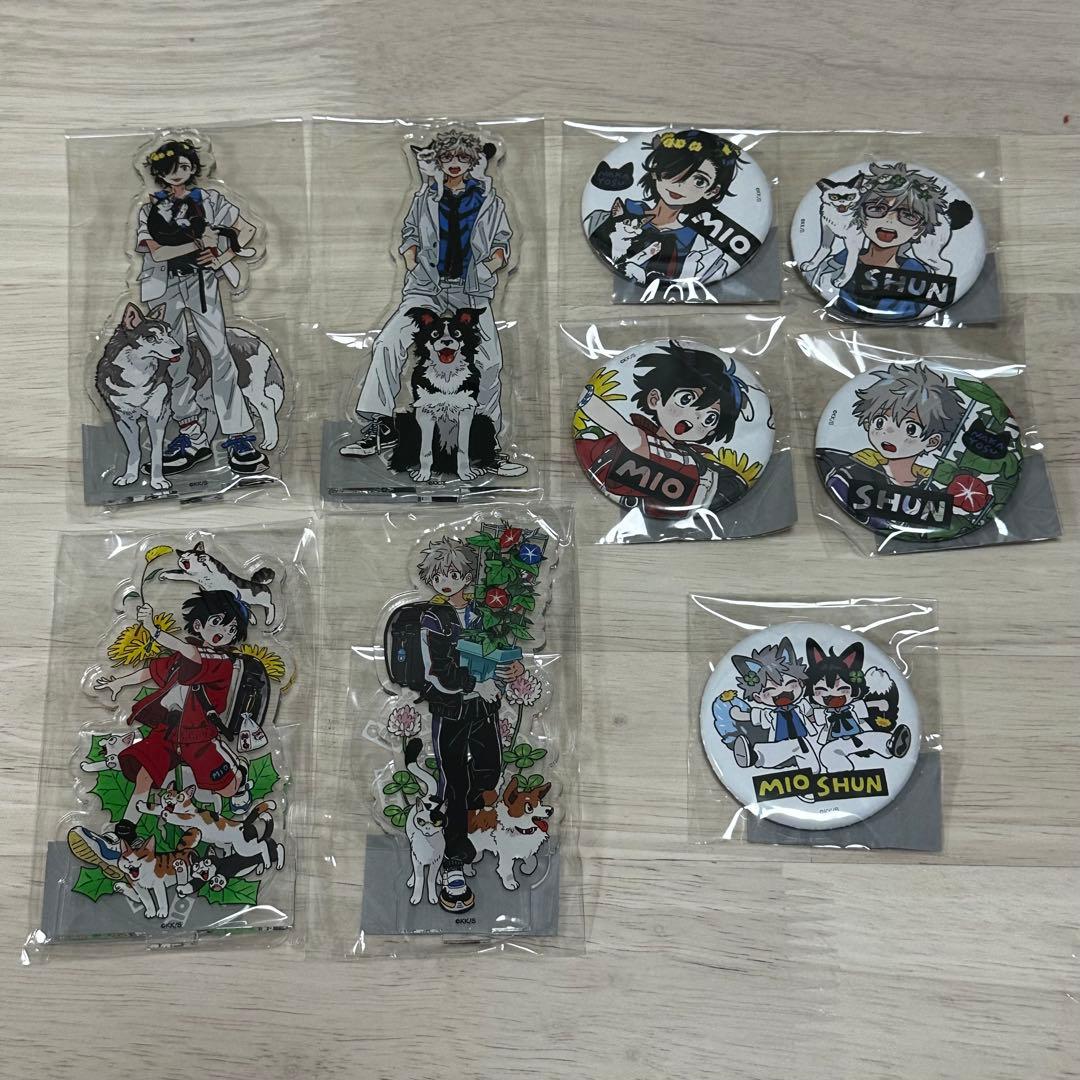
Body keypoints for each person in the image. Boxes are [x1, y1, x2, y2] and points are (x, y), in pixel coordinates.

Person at [341, 129, 524, 476]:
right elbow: (410, 232)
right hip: (427, 287)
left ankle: (487, 444)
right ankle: (380, 425)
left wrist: (489, 266)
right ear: (438, 161)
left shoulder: (490, 200)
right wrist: (412, 259)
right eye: (447, 157)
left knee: (489, 362)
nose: (454, 164)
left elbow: (502, 242)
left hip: (471, 290)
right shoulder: (425, 197)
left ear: (473, 161)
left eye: (463, 158)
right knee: (388, 342)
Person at [68, 591, 253, 871]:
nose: (224, 632)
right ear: (198, 624)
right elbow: (152, 671)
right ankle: (121, 836)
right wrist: (119, 682)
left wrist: (153, 630)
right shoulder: (182, 656)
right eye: (217, 622)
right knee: (144, 774)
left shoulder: (220, 661)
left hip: (199, 737)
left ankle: (241, 774)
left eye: (231, 629)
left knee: (227, 788)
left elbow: (191, 653)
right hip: (167, 731)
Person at [135, 139, 265, 475]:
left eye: (184, 166)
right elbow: (158, 253)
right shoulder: (149, 207)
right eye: (171, 168)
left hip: (202, 284)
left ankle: (238, 435)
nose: (178, 173)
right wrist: (198, 244)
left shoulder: (209, 199)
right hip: (163, 287)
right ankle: (191, 434)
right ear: (159, 172)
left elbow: (247, 229)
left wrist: (220, 256)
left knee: (220, 354)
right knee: (174, 360)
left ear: (193, 166)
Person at [415, 537, 523, 912]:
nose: (446, 582)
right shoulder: (433, 618)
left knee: (490, 770)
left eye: (454, 574)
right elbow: (435, 669)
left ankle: (476, 829)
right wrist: (473, 684)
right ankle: (454, 858)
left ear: (468, 576)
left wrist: (513, 667)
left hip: (486, 708)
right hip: (450, 711)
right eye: (439, 576)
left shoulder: (485, 611)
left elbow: (501, 648)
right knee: (455, 783)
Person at [574, 341, 758, 518]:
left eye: (710, 418)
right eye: (686, 400)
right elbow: (619, 426)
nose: (695, 418)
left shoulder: (700, 463)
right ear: (655, 399)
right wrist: (591, 402)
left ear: (712, 431)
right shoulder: (638, 437)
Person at [584, 129, 742, 284]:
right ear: (656, 169)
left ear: (712, 191)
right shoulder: (604, 217)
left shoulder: (706, 251)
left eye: (699, 181)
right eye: (674, 170)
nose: (680, 185)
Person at [819, 162, 949, 321]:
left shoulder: (919, 278)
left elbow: (919, 307)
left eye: (908, 215)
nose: (889, 221)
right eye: (877, 208)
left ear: (919, 229)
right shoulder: (834, 264)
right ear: (859, 214)